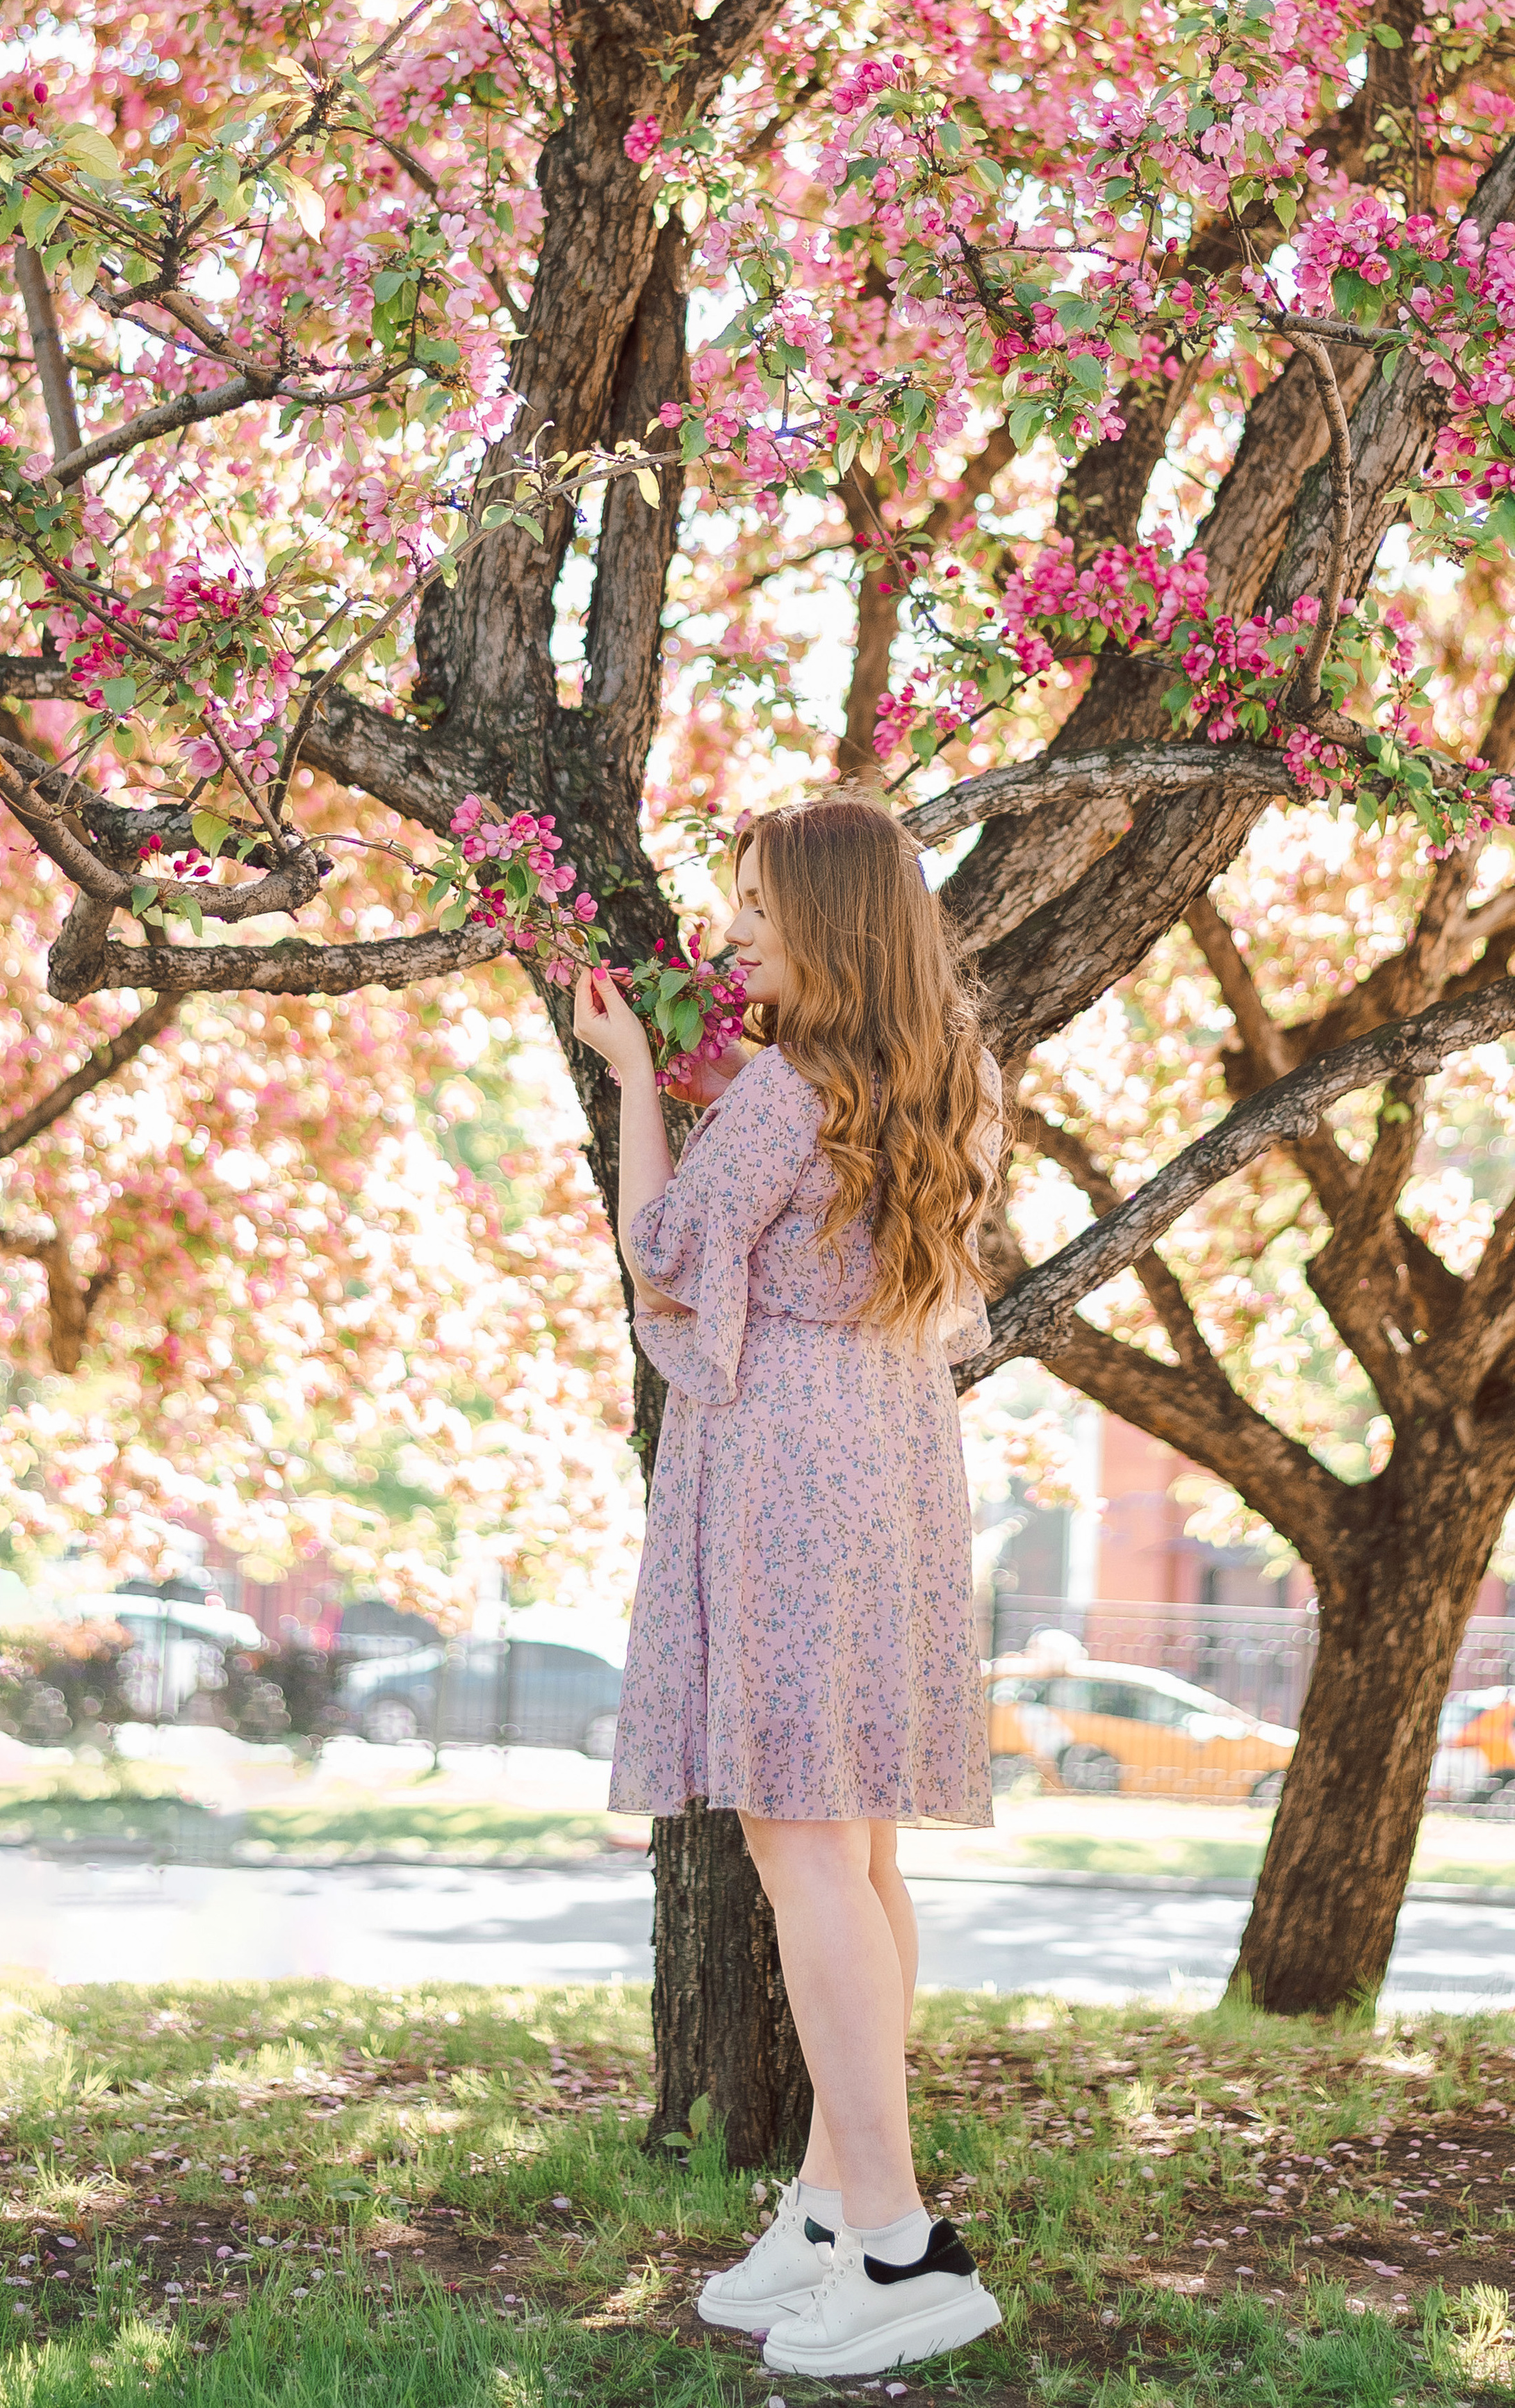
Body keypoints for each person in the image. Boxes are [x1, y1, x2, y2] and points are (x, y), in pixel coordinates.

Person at [573, 790, 1005, 2382]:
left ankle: (894, 2236)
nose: (734, 930)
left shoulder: (778, 1090)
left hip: (789, 1467)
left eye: (755, 905)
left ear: (823, 919)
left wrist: (629, 1080)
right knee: (861, 1844)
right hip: (890, 1457)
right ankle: (829, 2208)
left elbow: (664, 1253)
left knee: (799, 1842)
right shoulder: (946, 1075)